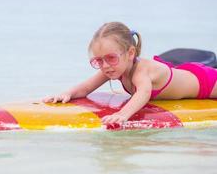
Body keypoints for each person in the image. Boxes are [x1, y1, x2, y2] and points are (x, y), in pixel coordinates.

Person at [43, 22, 217, 125]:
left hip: (206, 83)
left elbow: (143, 93)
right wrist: (67, 93)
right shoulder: (113, 68)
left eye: (110, 58)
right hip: (184, 73)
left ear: (131, 53)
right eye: (98, 61)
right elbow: (86, 87)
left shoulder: (141, 71)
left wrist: (123, 114)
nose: (105, 65)